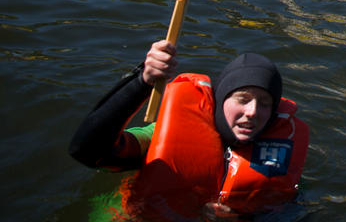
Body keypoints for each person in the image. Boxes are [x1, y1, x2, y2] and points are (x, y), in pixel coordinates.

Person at [69, 40, 308, 220]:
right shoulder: (161, 134)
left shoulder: (280, 152)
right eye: (242, 99)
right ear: (221, 99)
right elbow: (87, 150)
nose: (253, 111)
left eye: (265, 103)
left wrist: (241, 219)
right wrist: (143, 81)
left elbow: (285, 210)